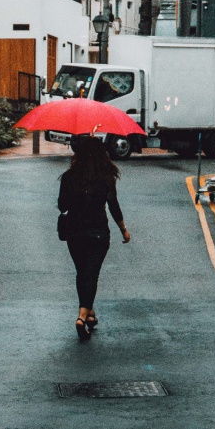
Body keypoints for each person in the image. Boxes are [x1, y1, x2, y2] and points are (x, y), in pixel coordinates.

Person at [58, 135, 130, 340]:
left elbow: (63, 205)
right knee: (91, 273)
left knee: (83, 272)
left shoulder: (69, 177)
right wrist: (123, 229)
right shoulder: (106, 177)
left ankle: (90, 314)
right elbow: (113, 205)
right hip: (98, 232)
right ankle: (82, 315)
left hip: (74, 232)